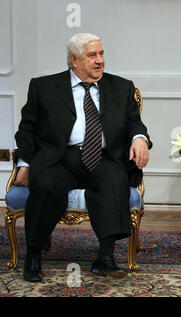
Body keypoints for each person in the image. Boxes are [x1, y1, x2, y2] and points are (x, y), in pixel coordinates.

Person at [14, 33, 152, 282]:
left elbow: (134, 123)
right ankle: (33, 255)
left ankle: (105, 258)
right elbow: (27, 130)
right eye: (92, 55)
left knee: (114, 179)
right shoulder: (43, 87)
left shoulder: (121, 87)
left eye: (101, 54)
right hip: (59, 158)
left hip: (102, 157)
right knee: (45, 185)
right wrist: (24, 164)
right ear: (74, 60)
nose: (100, 60)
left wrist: (139, 139)